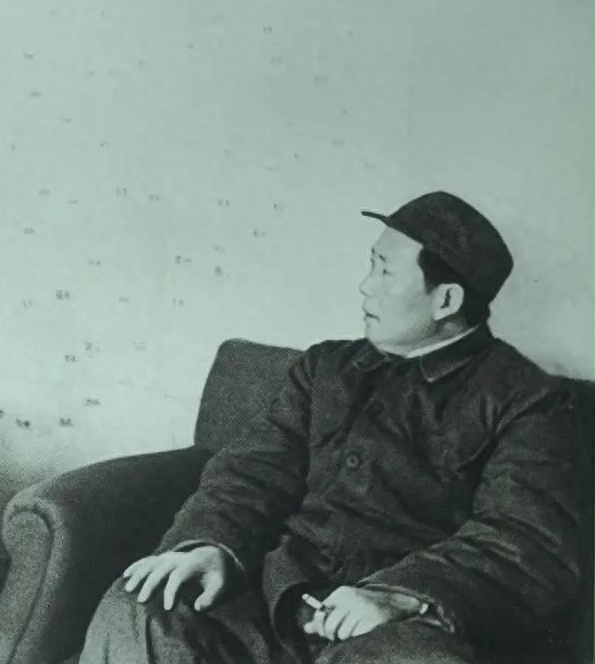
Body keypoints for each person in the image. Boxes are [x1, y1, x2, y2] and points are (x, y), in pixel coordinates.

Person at [80, 191, 584, 664]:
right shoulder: (326, 368)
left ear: (446, 300)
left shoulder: (532, 402)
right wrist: (210, 544)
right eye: (371, 264)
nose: (366, 285)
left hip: (397, 625)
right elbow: (251, 472)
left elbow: (525, 539)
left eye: (385, 270)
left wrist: (400, 596)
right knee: (147, 605)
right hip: (274, 600)